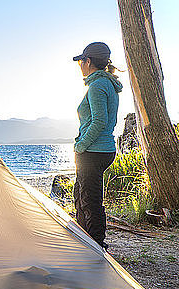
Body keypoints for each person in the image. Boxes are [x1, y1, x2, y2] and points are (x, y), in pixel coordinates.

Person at [72, 42, 122, 249]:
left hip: (93, 151)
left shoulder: (97, 86)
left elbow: (99, 121)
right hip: (103, 149)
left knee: (90, 201)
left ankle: (95, 247)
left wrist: (81, 145)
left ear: (88, 61)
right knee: (81, 195)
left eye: (81, 61)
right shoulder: (107, 83)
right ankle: (84, 240)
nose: (79, 66)